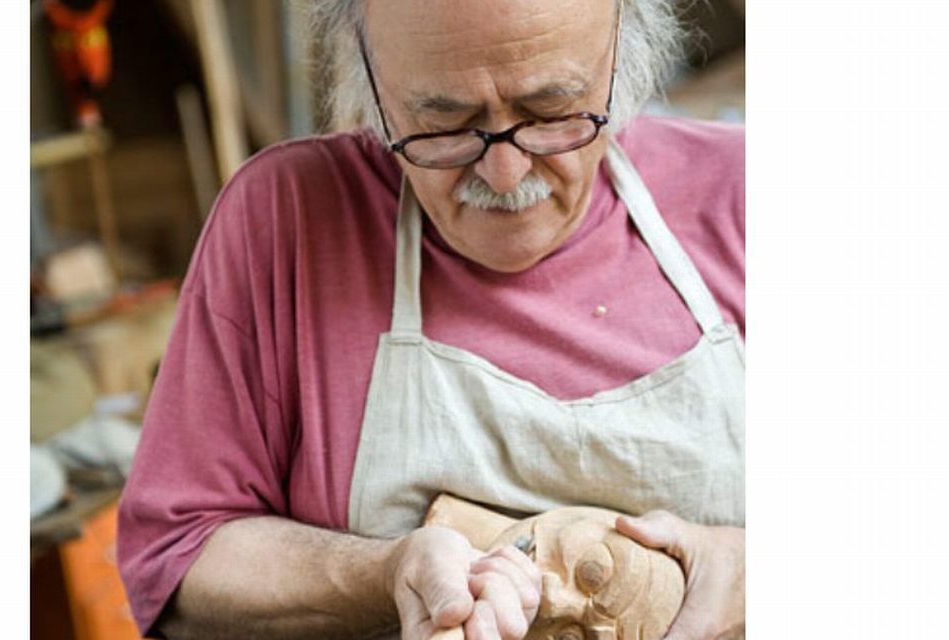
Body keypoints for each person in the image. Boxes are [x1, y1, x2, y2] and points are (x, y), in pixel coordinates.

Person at [117, 0, 745, 638]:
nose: (505, 175)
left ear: (623, 60)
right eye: (443, 124)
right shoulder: (287, 221)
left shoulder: (743, 194)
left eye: (552, 112)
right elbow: (176, 560)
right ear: (371, 84)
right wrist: (384, 573)